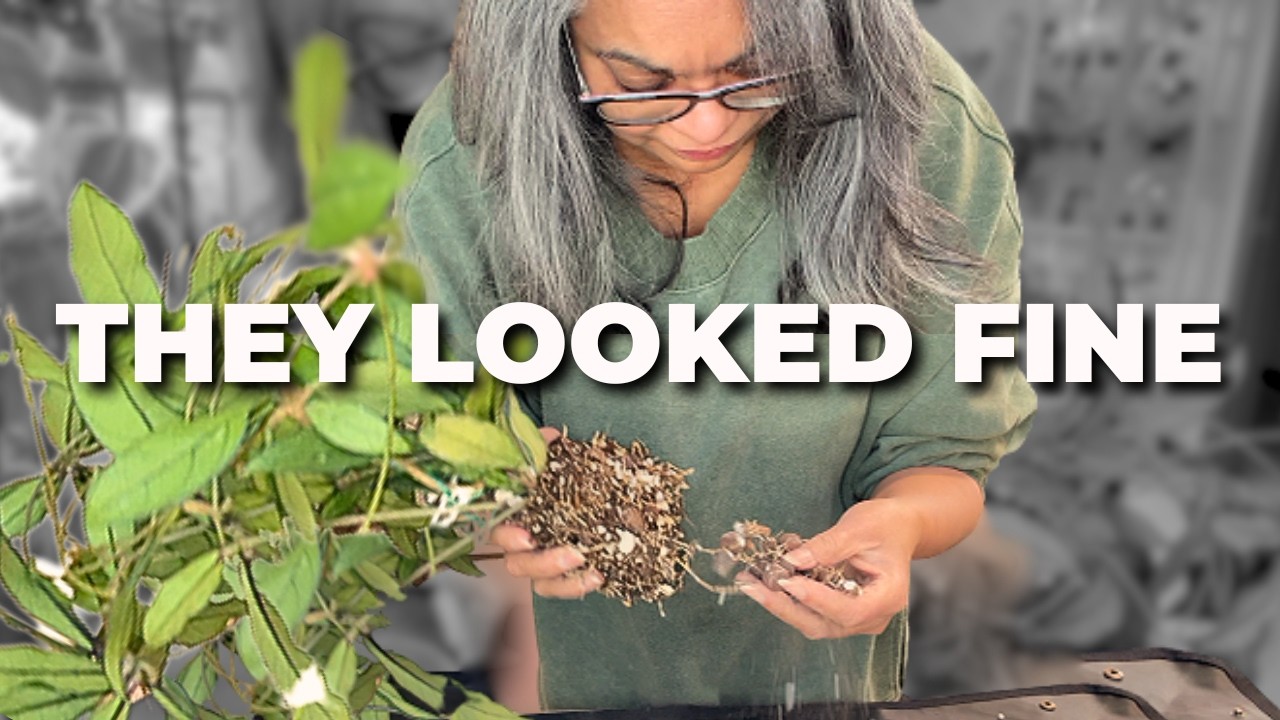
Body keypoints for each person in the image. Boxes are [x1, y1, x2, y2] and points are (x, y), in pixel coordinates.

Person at [398, 0, 1037, 711]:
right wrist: (495, 516)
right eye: (640, 84)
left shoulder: (922, 121)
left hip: (826, 683)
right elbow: (437, 457)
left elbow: (944, 454)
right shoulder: (471, 150)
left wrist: (904, 523)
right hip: (585, 681)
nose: (705, 127)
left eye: (756, 70)